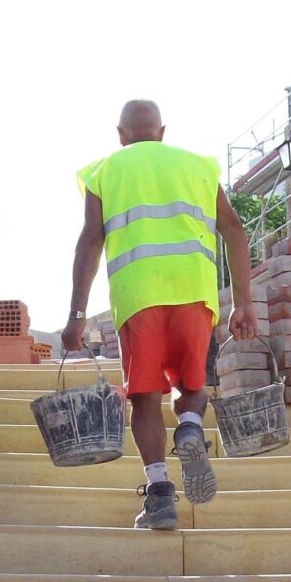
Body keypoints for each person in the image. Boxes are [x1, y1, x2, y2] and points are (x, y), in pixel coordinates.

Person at [61, 100, 258, 530]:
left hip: (139, 296)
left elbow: (89, 243)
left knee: (145, 397)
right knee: (191, 384)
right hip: (194, 294)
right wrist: (243, 303)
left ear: (121, 134)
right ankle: (189, 426)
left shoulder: (105, 171)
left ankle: (159, 495)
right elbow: (235, 231)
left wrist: (77, 313)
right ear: (162, 131)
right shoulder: (199, 168)